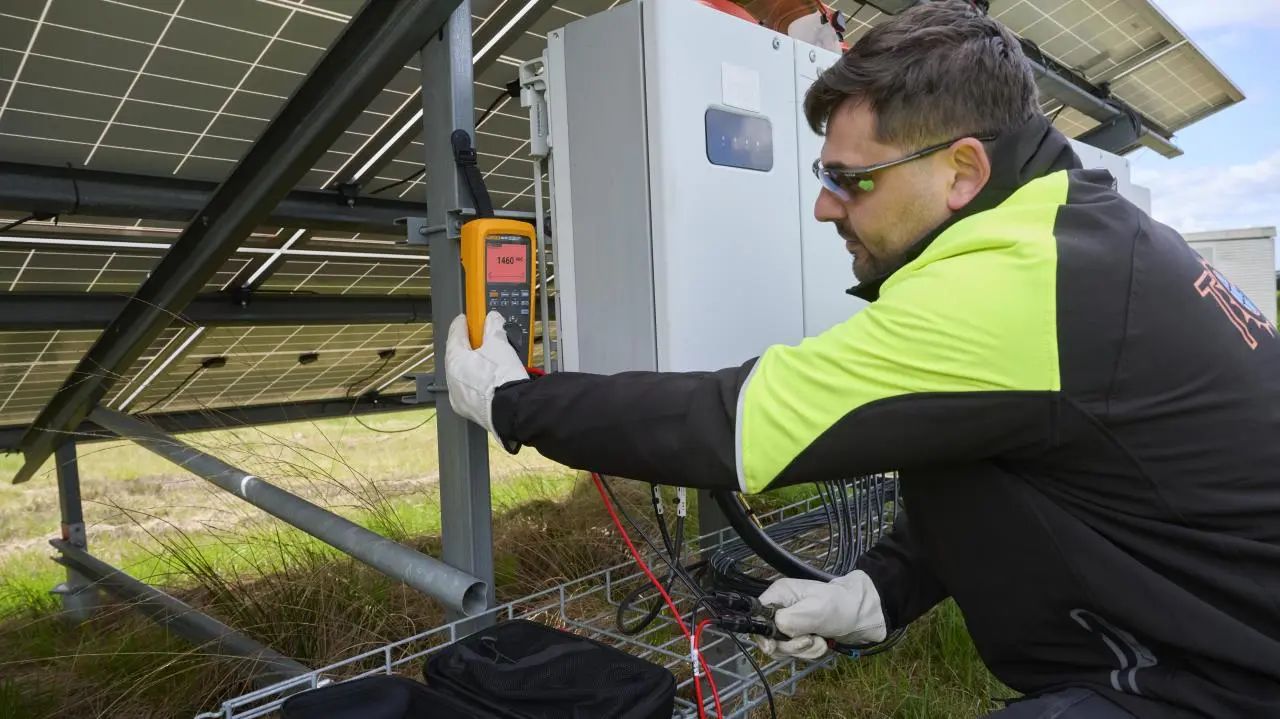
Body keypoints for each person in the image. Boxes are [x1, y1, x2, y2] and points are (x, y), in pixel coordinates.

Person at [444, 2, 1280, 716]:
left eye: (851, 180)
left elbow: (732, 423)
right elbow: (1001, 468)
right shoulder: (1074, 235)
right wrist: (880, 589)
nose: (822, 205)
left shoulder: (1031, 280)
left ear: (962, 170)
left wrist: (515, 400)